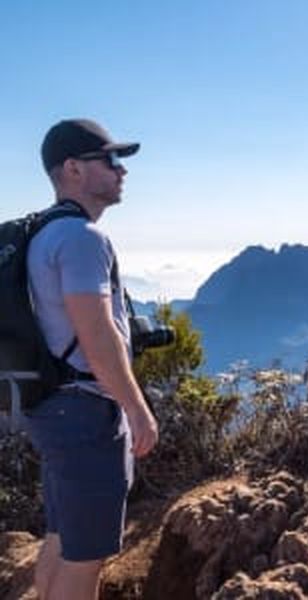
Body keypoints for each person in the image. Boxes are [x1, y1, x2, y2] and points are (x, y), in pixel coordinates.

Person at [23, 119, 159, 600]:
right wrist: (137, 409)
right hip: (85, 412)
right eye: (111, 160)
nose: (121, 171)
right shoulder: (82, 238)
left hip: (53, 408)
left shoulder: (45, 233)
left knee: (63, 540)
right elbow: (97, 334)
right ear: (73, 169)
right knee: (86, 562)